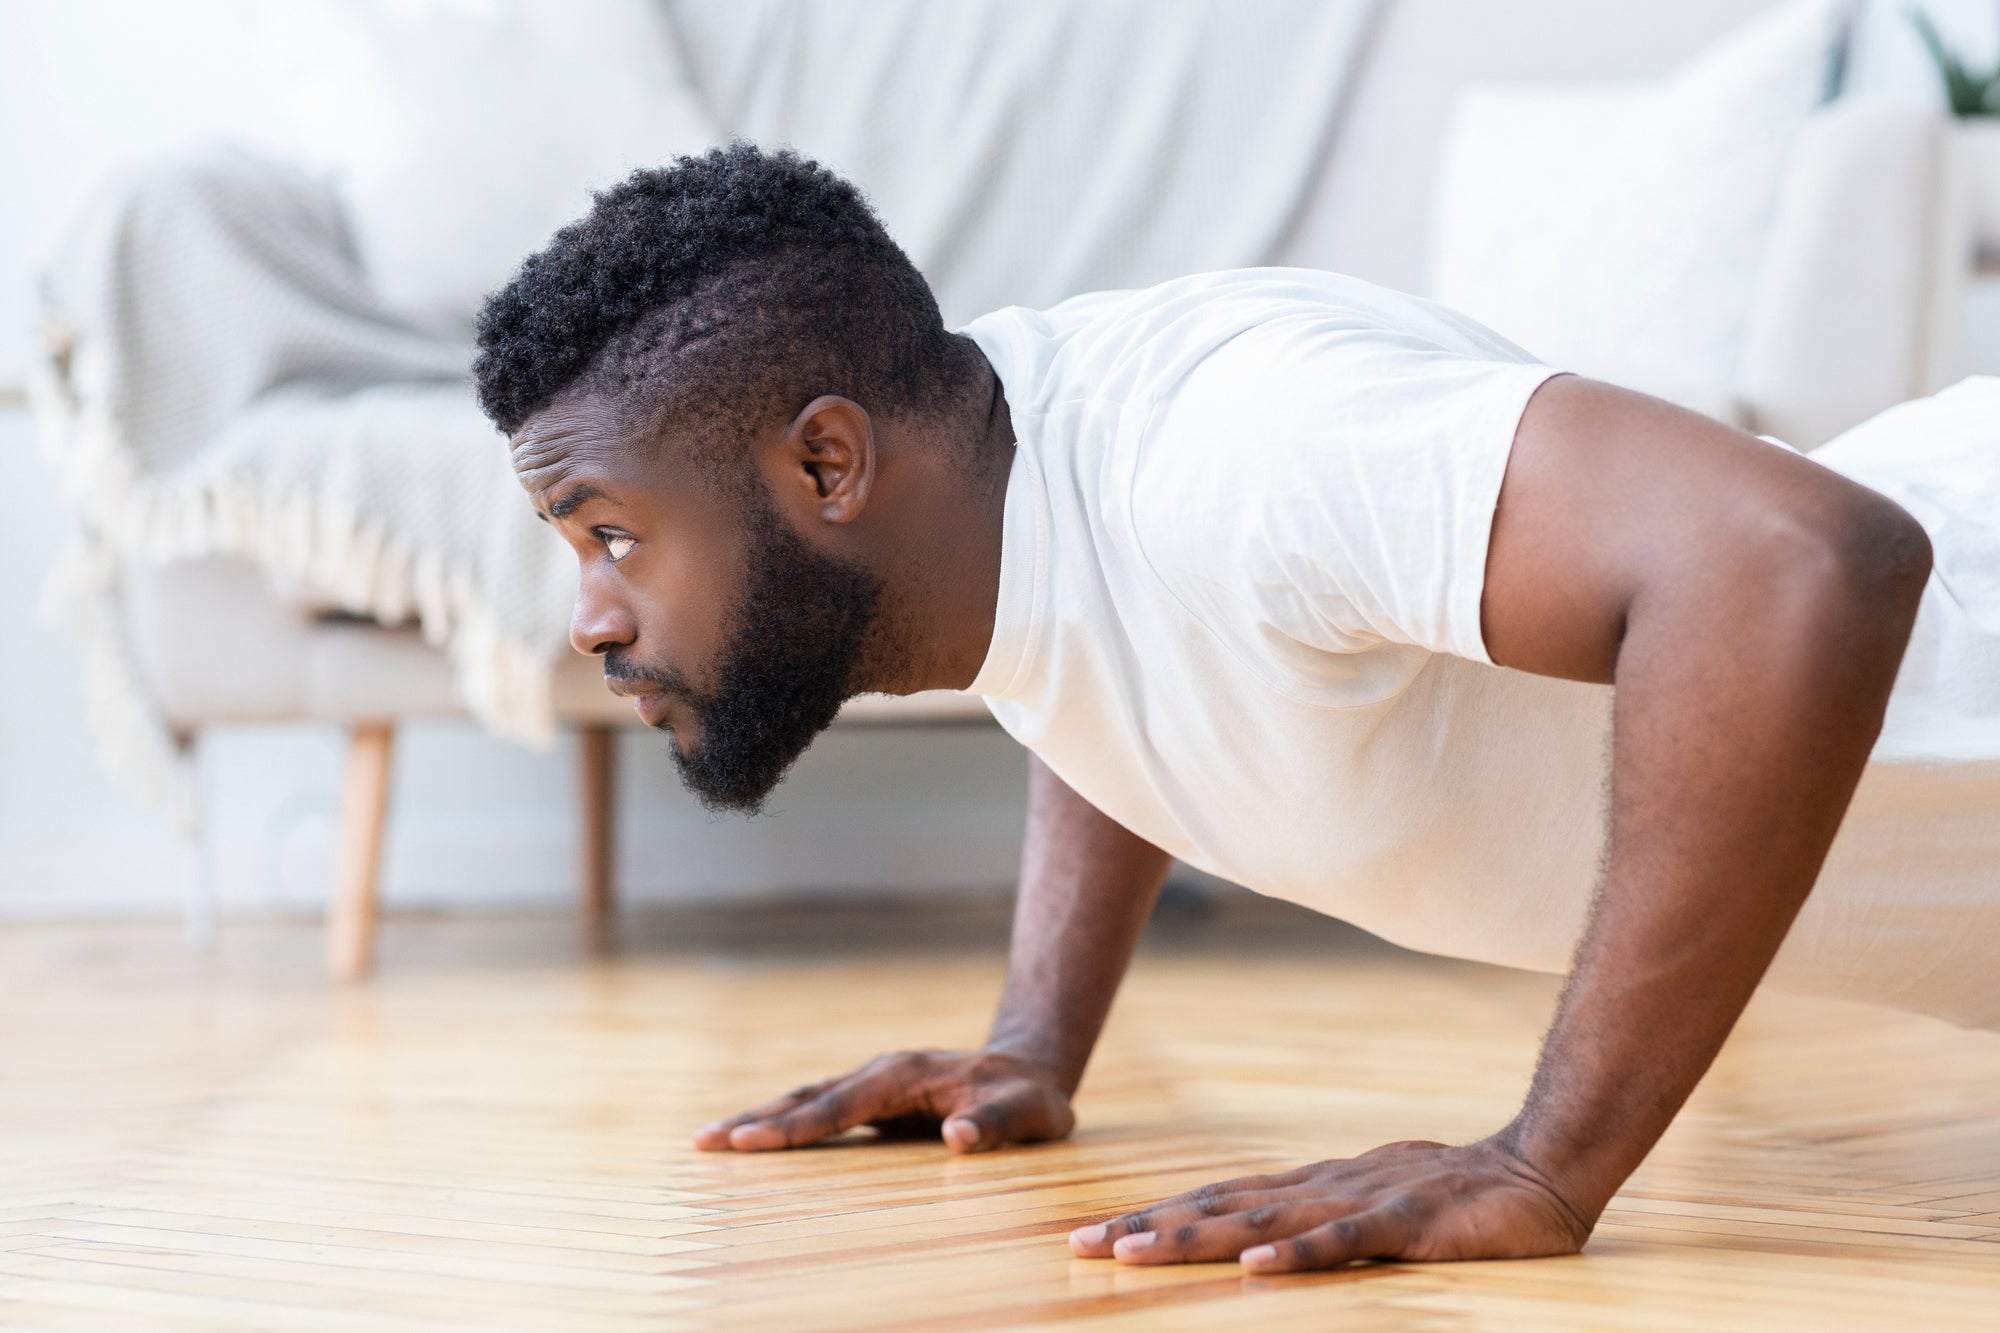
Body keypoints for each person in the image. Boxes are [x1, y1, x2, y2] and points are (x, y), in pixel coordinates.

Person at [471, 144, 1999, 1274]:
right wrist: (1035, 1036)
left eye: (609, 531)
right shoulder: (1000, 479)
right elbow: (1099, 641)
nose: (591, 615)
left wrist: (1548, 1159)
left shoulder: (1238, 448)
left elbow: (1802, 565)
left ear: (825, 467)